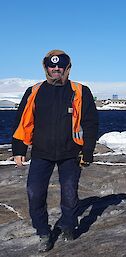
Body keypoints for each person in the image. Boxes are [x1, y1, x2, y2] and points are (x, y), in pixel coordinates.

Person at [12, 49, 99, 252]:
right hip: (41, 153)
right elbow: (22, 122)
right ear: (46, 68)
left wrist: (88, 151)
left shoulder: (80, 91)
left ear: (67, 68)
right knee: (34, 193)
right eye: (52, 66)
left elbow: (91, 123)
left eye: (61, 65)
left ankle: (68, 226)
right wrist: (19, 149)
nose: (56, 69)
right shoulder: (34, 91)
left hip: (71, 153)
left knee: (69, 193)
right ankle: (43, 232)